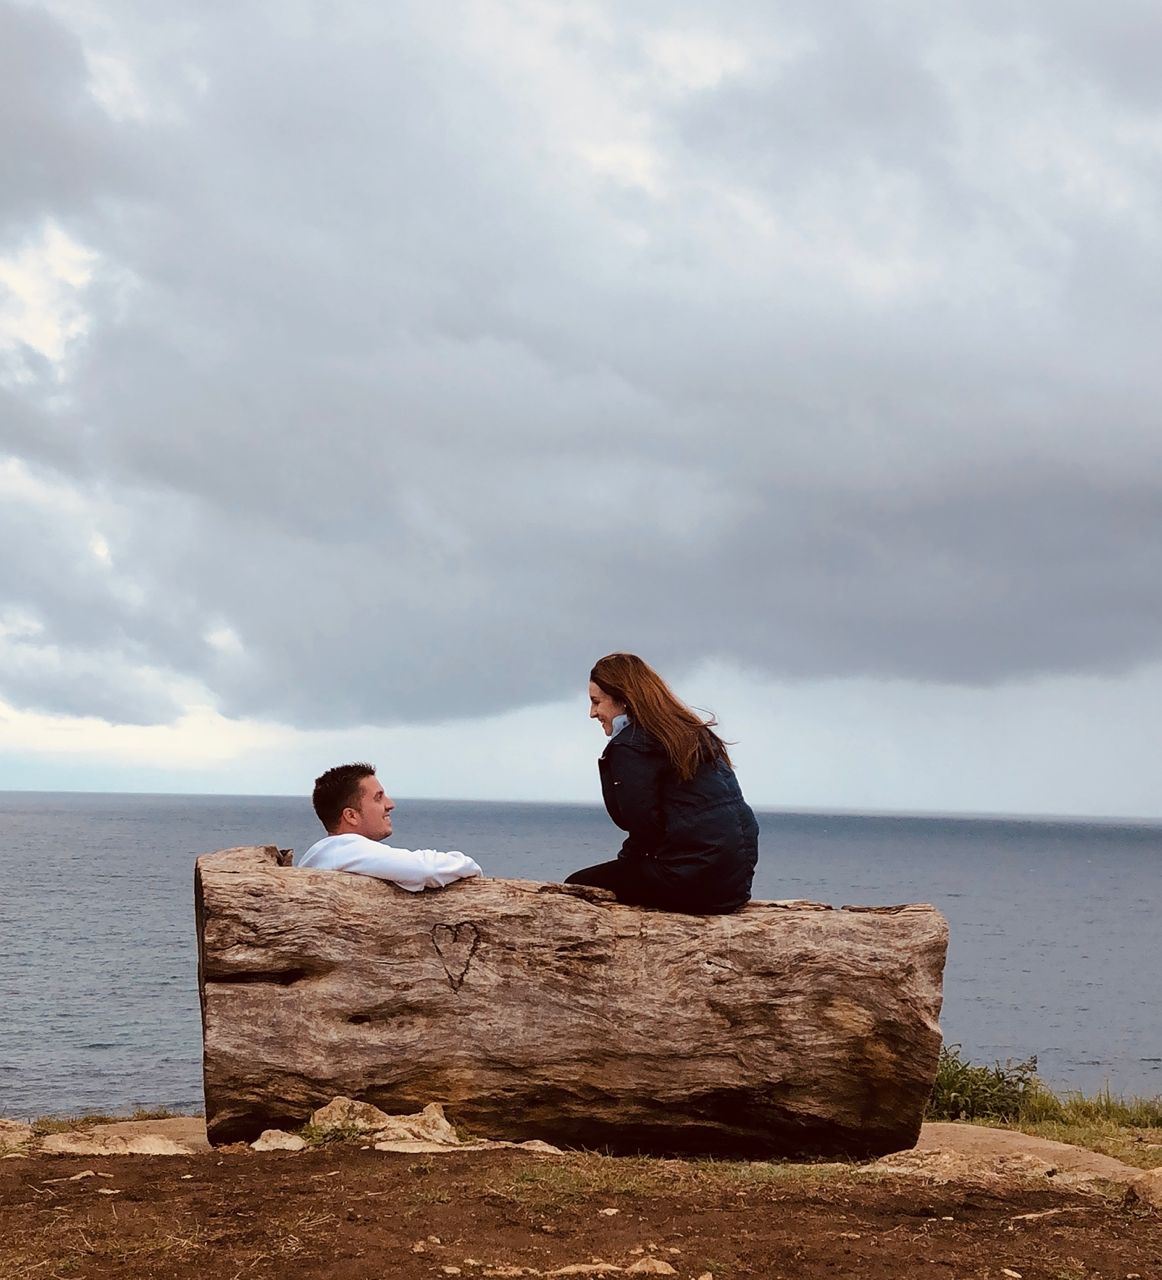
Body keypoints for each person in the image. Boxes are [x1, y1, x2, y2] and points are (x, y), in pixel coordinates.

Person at [565, 653, 759, 914]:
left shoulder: (630, 747)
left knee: (576, 888)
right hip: (733, 885)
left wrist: (626, 866)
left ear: (624, 699)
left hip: (692, 882)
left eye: (596, 702)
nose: (592, 713)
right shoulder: (688, 732)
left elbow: (645, 827)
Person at [298, 762, 483, 891]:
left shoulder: (322, 856)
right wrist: (468, 865)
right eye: (378, 798)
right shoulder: (344, 849)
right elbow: (426, 870)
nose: (390, 804)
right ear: (351, 816)